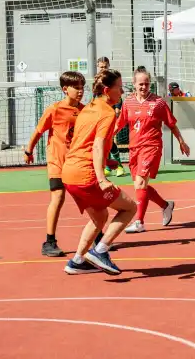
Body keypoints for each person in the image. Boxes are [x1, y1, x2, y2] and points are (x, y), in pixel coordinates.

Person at [61, 69, 137, 275]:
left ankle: (77, 261)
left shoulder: (88, 109)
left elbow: (83, 141)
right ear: (107, 90)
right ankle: (100, 250)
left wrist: (107, 160)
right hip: (87, 175)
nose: (122, 92)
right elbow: (97, 144)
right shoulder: (107, 112)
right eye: (119, 88)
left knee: (99, 216)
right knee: (130, 208)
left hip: (69, 173)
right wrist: (102, 178)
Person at [116, 66, 191, 233]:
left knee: (141, 181)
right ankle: (165, 205)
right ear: (134, 84)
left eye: (147, 84)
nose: (144, 87)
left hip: (152, 146)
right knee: (139, 185)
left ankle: (139, 222)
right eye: (140, 84)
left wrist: (181, 141)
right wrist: (105, 139)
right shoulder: (128, 102)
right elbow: (119, 124)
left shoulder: (158, 102)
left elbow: (171, 124)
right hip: (134, 148)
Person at [24, 71, 86, 257]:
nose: (81, 91)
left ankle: (98, 237)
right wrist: (29, 150)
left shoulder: (84, 110)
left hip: (76, 163)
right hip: (57, 161)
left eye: (83, 87)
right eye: (77, 87)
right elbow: (38, 131)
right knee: (58, 197)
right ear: (65, 89)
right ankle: (49, 241)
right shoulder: (54, 109)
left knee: (88, 197)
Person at [97, 57, 125, 177]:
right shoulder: (97, 80)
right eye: (101, 67)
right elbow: (96, 95)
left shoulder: (112, 78)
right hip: (100, 113)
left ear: (108, 66)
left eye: (105, 66)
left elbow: (119, 93)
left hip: (111, 113)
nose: (103, 69)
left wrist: (118, 108)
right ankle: (107, 166)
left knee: (108, 139)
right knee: (103, 140)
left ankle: (119, 166)